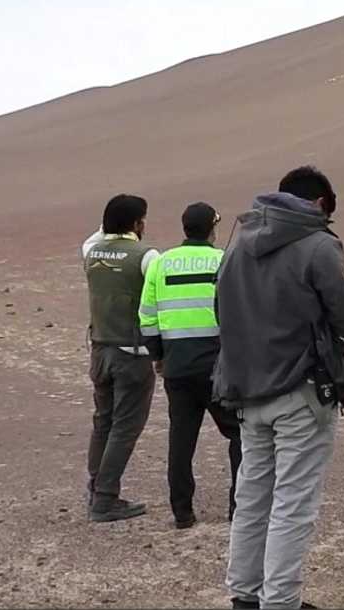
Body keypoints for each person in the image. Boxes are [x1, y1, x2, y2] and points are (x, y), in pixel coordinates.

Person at [214, 166, 344, 610]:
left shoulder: (236, 243)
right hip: (301, 390)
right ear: (320, 204)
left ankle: (245, 593)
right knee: (293, 502)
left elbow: (219, 308)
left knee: (252, 495)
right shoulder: (319, 245)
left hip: (246, 389)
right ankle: (279, 600)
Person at [138, 202, 240, 530]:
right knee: (240, 434)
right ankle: (238, 507)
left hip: (177, 366)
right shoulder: (224, 260)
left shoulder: (162, 263)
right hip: (218, 366)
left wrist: (158, 355)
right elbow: (238, 313)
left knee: (181, 440)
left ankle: (182, 511)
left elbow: (147, 316)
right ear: (211, 229)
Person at [82, 194, 160, 522]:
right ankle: (105, 498)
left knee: (103, 421)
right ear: (137, 223)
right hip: (132, 353)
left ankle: (96, 486)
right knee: (125, 427)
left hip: (100, 349)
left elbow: (97, 236)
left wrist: (112, 222)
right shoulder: (147, 256)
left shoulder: (91, 250)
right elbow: (157, 300)